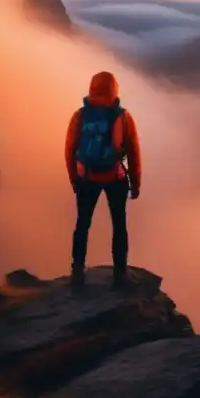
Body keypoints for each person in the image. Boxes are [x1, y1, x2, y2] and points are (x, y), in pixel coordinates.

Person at [64, 71, 142, 290]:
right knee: (119, 225)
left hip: (86, 178)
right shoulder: (123, 117)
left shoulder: (80, 116)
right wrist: (135, 183)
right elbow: (134, 151)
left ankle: (77, 272)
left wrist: (74, 179)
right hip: (115, 177)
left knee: (82, 224)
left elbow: (69, 150)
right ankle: (120, 274)